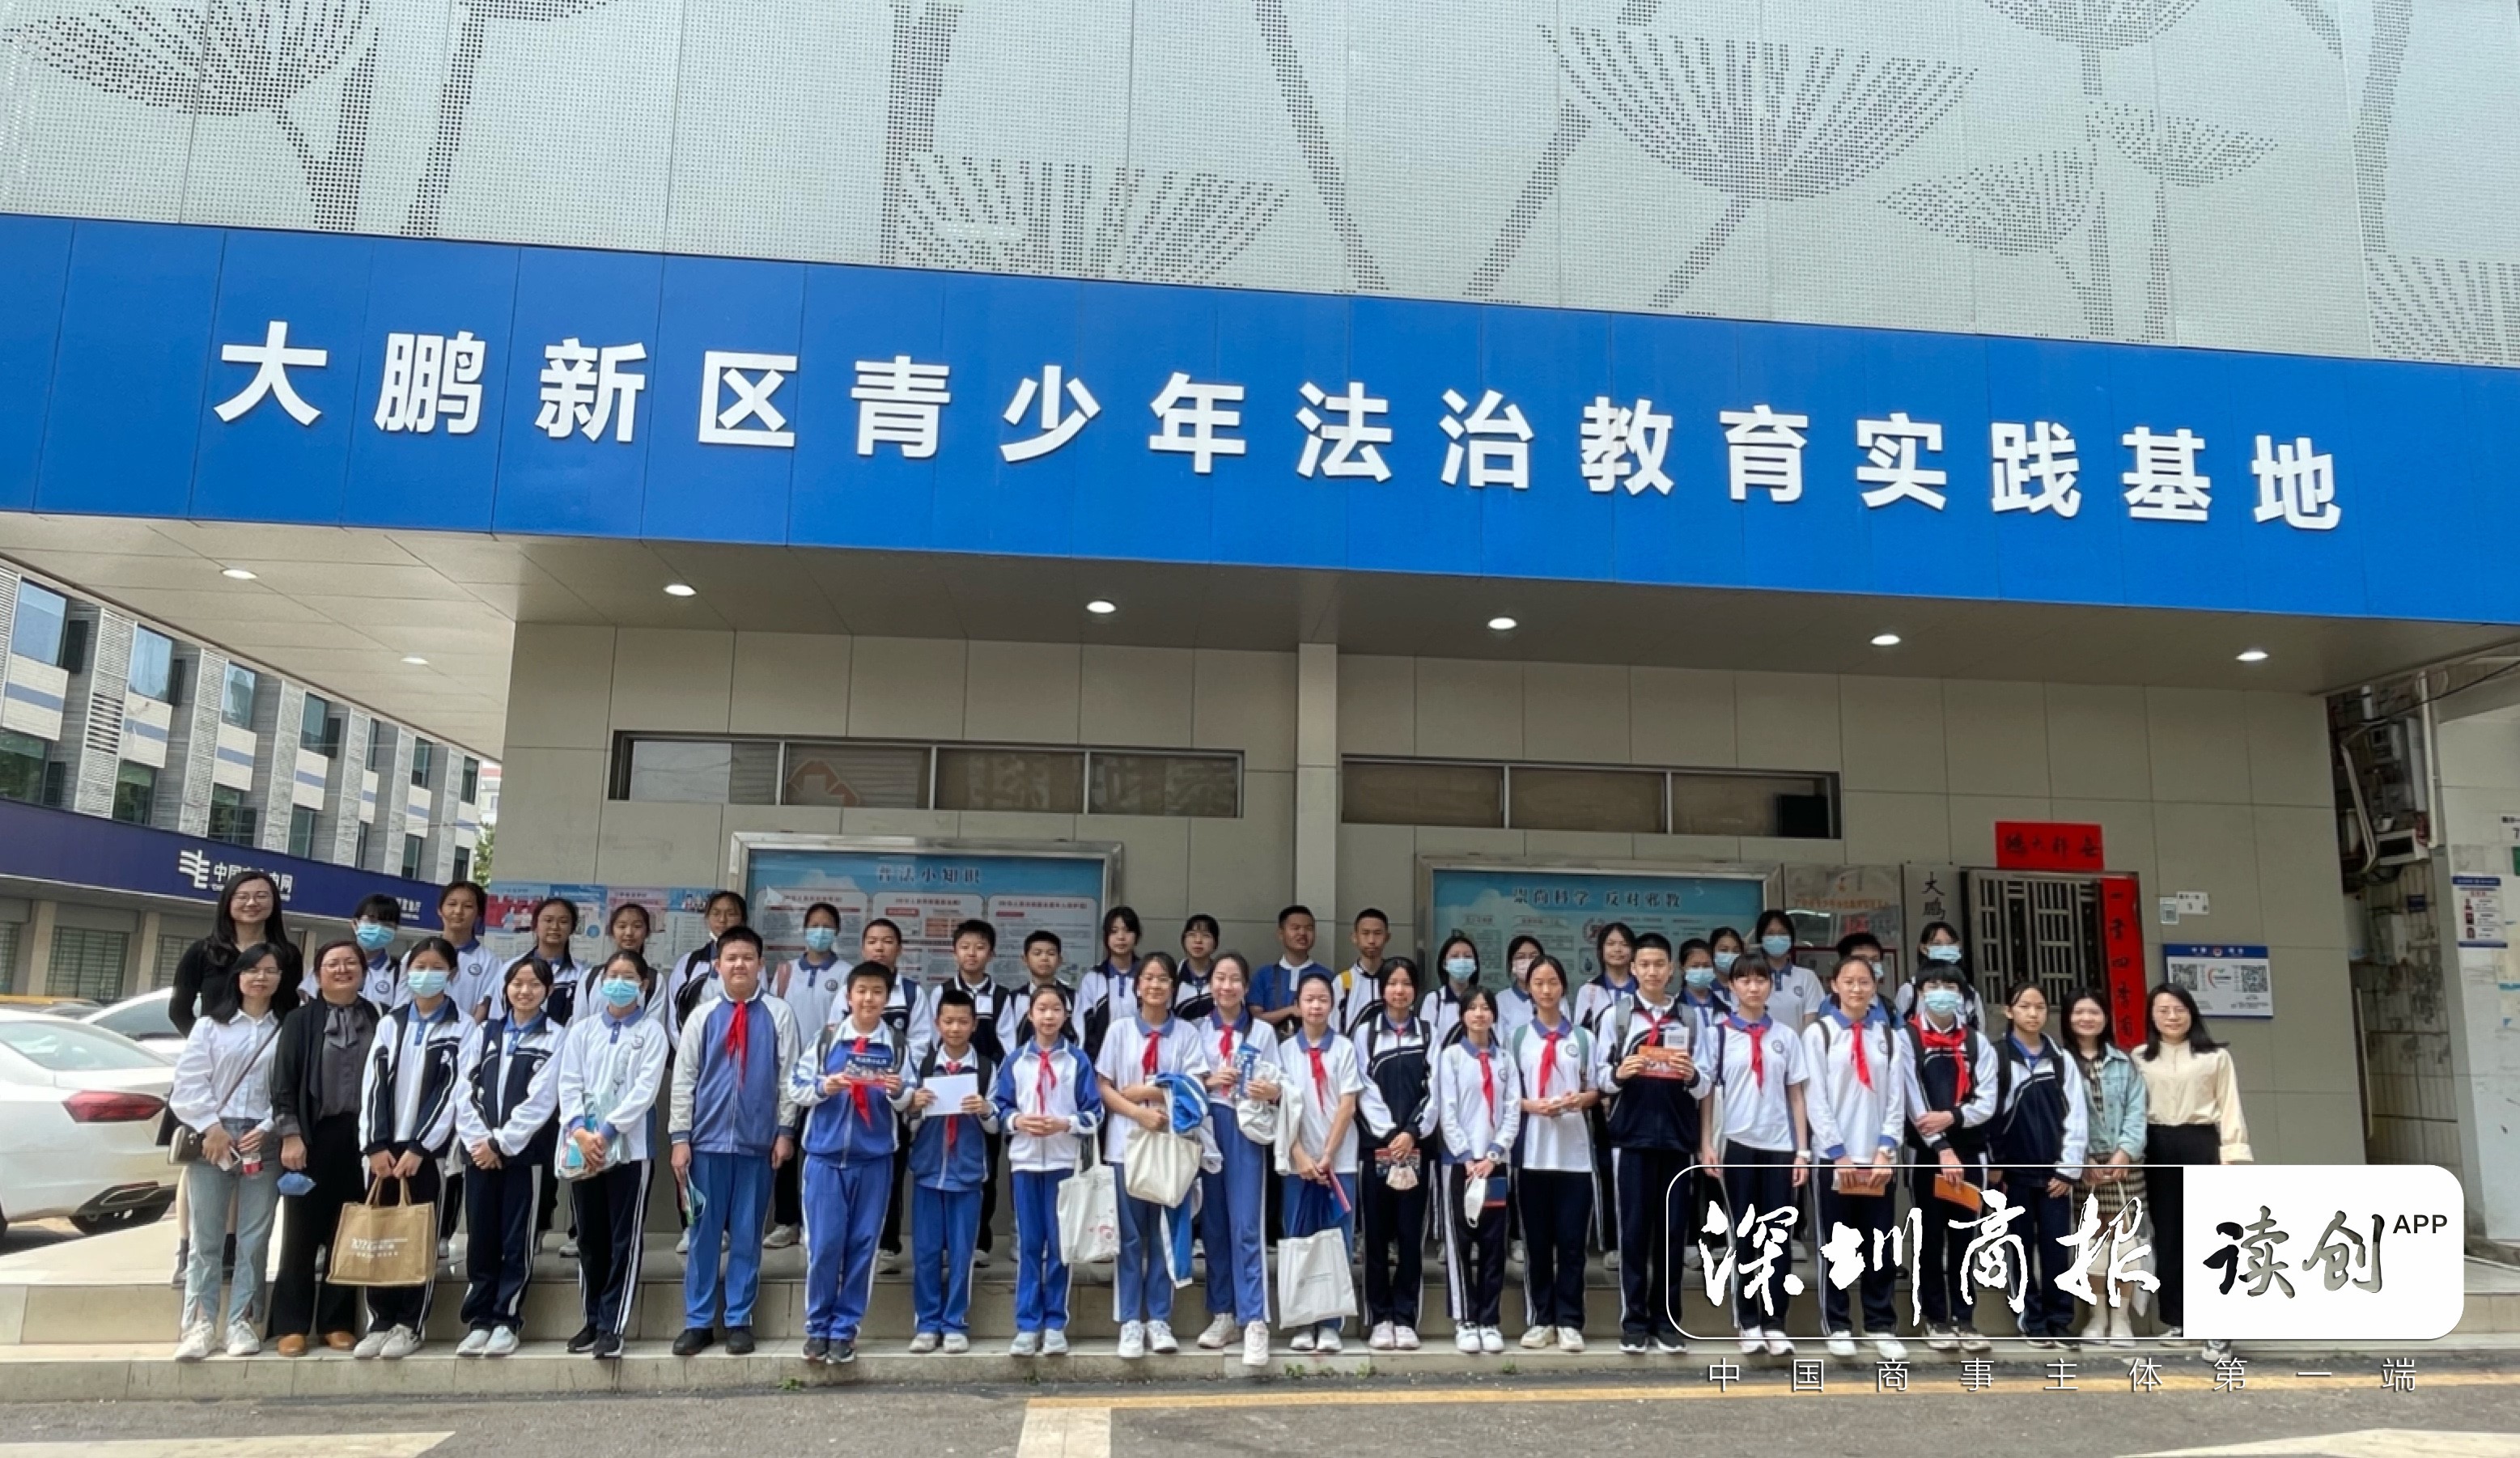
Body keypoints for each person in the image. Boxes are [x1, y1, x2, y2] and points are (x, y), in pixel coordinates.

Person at [668, 926, 802, 1357]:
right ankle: (698, 1321)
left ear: (760, 964)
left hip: (756, 1145)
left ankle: (739, 1318)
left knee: (747, 1235)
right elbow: (684, 1079)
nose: (739, 964)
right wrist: (680, 1137)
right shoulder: (702, 1016)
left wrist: (785, 1131)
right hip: (705, 1145)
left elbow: (789, 1076)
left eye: (748, 957)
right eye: (731, 958)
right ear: (718, 965)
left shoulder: (779, 1014)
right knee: (703, 1235)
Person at [168, 941, 286, 1361]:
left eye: (270, 971)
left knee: (255, 1238)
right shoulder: (210, 1026)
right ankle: (199, 1324)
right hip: (213, 1140)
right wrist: (211, 1127)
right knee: (206, 1238)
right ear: (238, 977)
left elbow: (290, 1087)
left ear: (280, 978)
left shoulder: (286, 1028)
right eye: (253, 970)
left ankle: (243, 1322)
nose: (261, 978)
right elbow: (189, 1082)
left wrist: (268, 1127)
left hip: (263, 1142)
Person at [790, 961, 911, 1366]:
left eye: (877, 992)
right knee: (824, 1245)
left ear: (887, 999)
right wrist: (825, 1085)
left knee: (863, 1246)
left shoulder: (896, 1045)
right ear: (848, 996)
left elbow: (910, 1099)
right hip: (824, 1159)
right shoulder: (827, 1040)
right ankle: (817, 1326)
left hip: (874, 1160)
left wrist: (897, 1091)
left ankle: (845, 1329)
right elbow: (795, 1086)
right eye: (862, 991)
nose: (868, 999)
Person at [1096, 953, 1212, 1358]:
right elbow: (1105, 1086)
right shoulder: (1119, 1030)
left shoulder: (1187, 1035)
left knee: (1165, 1234)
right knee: (1129, 1236)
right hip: (1125, 1145)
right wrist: (1138, 1113)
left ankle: (1159, 1319)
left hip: (1171, 1147)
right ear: (1138, 986)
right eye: (1149, 978)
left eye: (1164, 979)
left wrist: (1145, 1091)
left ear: (1173, 988)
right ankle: (1130, 1319)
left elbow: (1194, 1089)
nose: (1156, 985)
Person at [554, 952, 670, 1359]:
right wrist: (580, 1132)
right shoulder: (583, 1031)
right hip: (582, 1148)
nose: (619, 983)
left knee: (623, 1239)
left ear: (644, 985)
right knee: (590, 1237)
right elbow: (568, 1082)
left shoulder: (652, 1032)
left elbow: (644, 1091)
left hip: (630, 1150)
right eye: (612, 975)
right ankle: (591, 1319)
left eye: (629, 976)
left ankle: (612, 1325)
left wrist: (606, 1132)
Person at [354, 935, 465, 1358]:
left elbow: (453, 1091)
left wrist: (421, 1146)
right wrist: (374, 1145)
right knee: (380, 1233)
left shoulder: (463, 1027)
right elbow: (372, 1085)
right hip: (384, 1149)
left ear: (452, 974)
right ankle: (379, 1320)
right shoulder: (391, 1023)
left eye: (436, 968)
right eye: (419, 967)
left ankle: (409, 1324)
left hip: (427, 1153)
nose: (426, 975)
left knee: (418, 1236)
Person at [1696, 952, 1811, 1356]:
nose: (1753, 987)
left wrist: (1802, 1150)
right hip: (1737, 1142)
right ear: (1731, 987)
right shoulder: (1717, 1034)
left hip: (1779, 1145)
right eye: (1744, 980)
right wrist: (1707, 1143)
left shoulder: (1786, 1036)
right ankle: (1748, 1321)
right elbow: (1707, 1093)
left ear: (1770, 985)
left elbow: (1796, 1095)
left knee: (1777, 1236)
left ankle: (1776, 1322)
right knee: (1744, 1234)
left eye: (1760, 979)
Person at [266, 939, 376, 1355]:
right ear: (318, 974)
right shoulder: (300, 1020)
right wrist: (290, 1135)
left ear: (363, 971)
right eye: (333, 964)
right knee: (301, 1232)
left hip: (361, 1139)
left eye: (351, 963)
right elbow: (284, 1082)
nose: (342, 969)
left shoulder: (378, 1016)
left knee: (347, 1229)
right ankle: (292, 1324)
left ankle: (337, 1322)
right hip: (312, 1136)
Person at [1801, 942, 1907, 1361]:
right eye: (1849, 982)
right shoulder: (1819, 1033)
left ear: (1875, 986)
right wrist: (1837, 1153)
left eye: (1864, 982)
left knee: (1879, 1243)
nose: (1858, 989)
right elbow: (1815, 1097)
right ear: (1834, 986)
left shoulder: (1888, 1037)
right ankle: (1839, 1323)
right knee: (1837, 1245)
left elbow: (1896, 1097)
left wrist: (1886, 1150)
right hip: (1836, 1158)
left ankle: (1880, 1324)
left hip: (1877, 1158)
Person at [452, 956, 562, 1358]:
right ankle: (479, 1320)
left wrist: (502, 1144)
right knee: (481, 1238)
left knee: (516, 1241)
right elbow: (463, 1089)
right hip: (479, 1153)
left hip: (524, 1156)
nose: (524, 991)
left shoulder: (556, 1037)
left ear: (548, 991)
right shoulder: (485, 1032)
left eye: (534, 984)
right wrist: (480, 1142)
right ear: (506, 988)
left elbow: (542, 1099)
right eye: (517, 983)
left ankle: (507, 1319)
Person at [2136, 983, 2251, 1361]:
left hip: (2201, 1143)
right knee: (2168, 1234)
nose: (2172, 1016)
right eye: (2163, 1010)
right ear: (2152, 1016)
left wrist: (2232, 1156)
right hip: (2156, 1146)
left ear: (2191, 1013)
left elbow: (2230, 1106)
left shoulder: (2215, 1057)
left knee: (2210, 1233)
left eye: (2179, 1009)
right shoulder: (2139, 1058)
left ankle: (2217, 1323)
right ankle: (2178, 1318)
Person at [1598, 931, 1698, 1354]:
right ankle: (1634, 1322)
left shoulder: (1689, 1018)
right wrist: (1619, 1073)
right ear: (1634, 969)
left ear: (1671, 969)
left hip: (1677, 1140)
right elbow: (1599, 1077)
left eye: (1660, 964)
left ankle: (1668, 1322)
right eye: (1645, 965)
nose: (1653, 971)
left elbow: (1707, 1081)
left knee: (1672, 1235)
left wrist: (1692, 1075)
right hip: (1631, 1139)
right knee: (1634, 1234)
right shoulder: (1617, 1017)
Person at [996, 981, 1103, 1356]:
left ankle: (1056, 1322)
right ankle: (1027, 1325)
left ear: (1066, 1015)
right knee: (1030, 1244)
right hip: (1025, 1163)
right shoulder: (1015, 1061)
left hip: (1062, 1163)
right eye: (1041, 1009)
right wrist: (1018, 1122)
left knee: (1060, 1245)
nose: (1048, 1016)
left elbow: (1095, 1113)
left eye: (1056, 1009)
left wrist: (1065, 1124)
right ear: (1030, 1015)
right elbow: (999, 1109)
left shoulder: (1078, 1061)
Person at [1900, 960, 2000, 1354]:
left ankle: (1965, 1318)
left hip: (1971, 1153)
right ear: (1920, 994)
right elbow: (1913, 1101)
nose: (1941, 993)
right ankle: (1935, 1318)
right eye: (1933, 986)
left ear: (1962, 996)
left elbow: (1987, 1102)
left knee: (1965, 1237)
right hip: (1926, 1154)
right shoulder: (1907, 1038)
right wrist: (1941, 1146)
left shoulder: (1977, 1043)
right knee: (1929, 1238)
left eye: (1950, 987)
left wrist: (1953, 1117)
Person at [1987, 981, 2089, 1348]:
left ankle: (2060, 1320)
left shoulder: (2061, 1060)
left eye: (2040, 1007)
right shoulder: (1996, 1057)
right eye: (2025, 1006)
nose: (2033, 1013)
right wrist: (1995, 1165)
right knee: (2018, 1247)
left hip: (2054, 1175)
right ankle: (2030, 1320)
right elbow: (1987, 1114)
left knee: (2057, 1248)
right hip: (2012, 1174)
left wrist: (2068, 1170)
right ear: (2009, 1011)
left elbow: (2076, 1117)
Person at [1274, 976, 1368, 1352]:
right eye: (1309, 1000)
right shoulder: (1283, 1051)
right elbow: (1280, 1108)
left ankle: (1330, 1323)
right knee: (1298, 1237)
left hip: (1338, 1161)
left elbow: (1348, 1104)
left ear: (1332, 1005)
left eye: (1323, 1000)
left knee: (1336, 1239)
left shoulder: (1344, 1048)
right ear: (1298, 1005)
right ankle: (1302, 1320)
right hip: (1297, 1162)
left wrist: (1328, 1155)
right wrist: (1299, 1154)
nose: (1315, 1006)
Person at [1193, 952, 1278, 1367]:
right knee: (1214, 1225)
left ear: (1246, 987)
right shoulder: (1196, 1030)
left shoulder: (1262, 1032)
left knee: (1246, 1224)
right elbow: (1184, 1082)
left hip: (1245, 1128)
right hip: (1209, 1126)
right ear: (1210, 984)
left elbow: (1279, 1082)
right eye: (1220, 978)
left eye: (1234, 979)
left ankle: (1254, 1318)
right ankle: (1223, 1312)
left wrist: (1266, 1090)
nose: (1226, 986)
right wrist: (1209, 1080)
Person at [905, 985, 999, 1353]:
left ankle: (955, 1322)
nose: (955, 1028)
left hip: (968, 1173)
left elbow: (998, 1124)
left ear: (974, 1024)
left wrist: (985, 1109)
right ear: (937, 1023)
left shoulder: (987, 1069)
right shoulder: (923, 1065)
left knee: (962, 1254)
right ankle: (927, 1323)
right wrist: (914, 1105)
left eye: (962, 1021)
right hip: (929, 1171)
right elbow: (907, 1121)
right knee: (926, 1252)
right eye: (948, 1021)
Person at [1509, 956, 1596, 1351]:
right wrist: (1533, 1106)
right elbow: (1508, 1095)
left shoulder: (1583, 1038)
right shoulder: (1517, 1038)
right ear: (1529, 988)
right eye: (1538, 983)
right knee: (1538, 1243)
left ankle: (1570, 1320)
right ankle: (1542, 1318)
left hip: (1574, 1155)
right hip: (1533, 1154)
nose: (1546, 990)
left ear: (1564, 987)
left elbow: (1597, 1089)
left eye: (1553, 982)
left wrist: (1580, 1100)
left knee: (1573, 1243)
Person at [913, 919, 1011, 1266]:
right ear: (955, 952)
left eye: (980, 947)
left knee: (984, 1169)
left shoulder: (1001, 996)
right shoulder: (940, 992)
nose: (972, 954)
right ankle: (940, 1244)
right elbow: (932, 1043)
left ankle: (979, 1241)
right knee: (939, 1168)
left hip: (981, 1087)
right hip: (943, 1088)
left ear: (991, 953)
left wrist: (989, 1085)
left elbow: (1008, 1046)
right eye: (965, 947)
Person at [1351, 959, 1436, 1350]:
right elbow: (1362, 1088)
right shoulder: (1366, 1034)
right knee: (1376, 1235)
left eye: (1406, 983)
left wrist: (1412, 1132)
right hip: (1378, 1149)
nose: (1399, 990)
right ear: (1383, 989)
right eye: (1392, 983)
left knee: (1409, 1234)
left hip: (1417, 1147)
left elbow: (1436, 1089)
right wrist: (1389, 1134)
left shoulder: (1429, 1033)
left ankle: (1405, 1317)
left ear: (1415, 990)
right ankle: (1380, 1317)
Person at [1436, 987, 1521, 1354]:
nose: (1480, 1014)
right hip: (1460, 1166)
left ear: (1494, 1015)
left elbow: (1513, 1109)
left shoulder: (1506, 1060)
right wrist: (1467, 1155)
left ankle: (1489, 1319)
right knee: (1460, 1242)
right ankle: (1465, 1319)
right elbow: (1447, 1109)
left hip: (1495, 1165)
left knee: (1493, 1243)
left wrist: (1495, 1153)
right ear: (1463, 1016)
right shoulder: (1452, 1057)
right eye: (1472, 1008)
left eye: (1486, 1008)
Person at [762, 901, 849, 1250]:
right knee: (785, 1146)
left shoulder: (847, 973)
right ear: (804, 929)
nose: (820, 931)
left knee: (822, 1151)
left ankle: (819, 1221)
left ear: (837, 931)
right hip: (788, 1073)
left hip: (828, 1076)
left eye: (827, 926)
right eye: (814, 925)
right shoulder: (785, 972)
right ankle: (787, 1221)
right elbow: (771, 1018)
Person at [2064, 986, 2148, 1347]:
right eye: (2079, 1012)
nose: (2087, 1018)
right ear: (2069, 1018)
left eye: (2094, 1012)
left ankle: (2121, 1318)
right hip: (2084, 1167)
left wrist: (2125, 1153)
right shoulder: (2061, 1062)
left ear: (2106, 1018)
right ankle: (2097, 1316)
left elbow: (2137, 1111)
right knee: (2093, 1242)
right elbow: (2061, 1116)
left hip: (2124, 1166)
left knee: (2126, 1240)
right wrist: (2081, 1159)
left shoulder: (2124, 1063)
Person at [171, 870, 303, 1036]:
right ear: (228, 902)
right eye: (242, 897)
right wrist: (205, 1043)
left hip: (269, 1049)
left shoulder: (288, 955)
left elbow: (290, 1011)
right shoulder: (203, 951)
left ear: (274, 903)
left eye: (261, 896)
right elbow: (179, 1011)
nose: (252, 903)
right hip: (217, 1050)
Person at [664, 889, 748, 1035]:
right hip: (694, 1043)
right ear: (707, 918)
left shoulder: (751, 964)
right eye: (716, 913)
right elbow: (674, 1013)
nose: (722, 920)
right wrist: (686, 1046)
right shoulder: (689, 963)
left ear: (742, 920)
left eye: (731, 914)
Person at [1075, 905, 1143, 1058]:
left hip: (1141, 1055)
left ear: (1137, 936)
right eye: (1114, 931)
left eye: (1127, 930)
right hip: (1102, 1058)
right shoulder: (1093, 978)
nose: (1121, 937)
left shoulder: (1147, 976)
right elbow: (1085, 1026)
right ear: (1106, 937)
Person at [1253, 904, 1331, 1033]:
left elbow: (1333, 1019)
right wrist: (1290, 1011)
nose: (1302, 933)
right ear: (1280, 934)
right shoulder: (1263, 975)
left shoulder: (1327, 977)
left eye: (1309, 928)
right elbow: (1254, 1019)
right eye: (1295, 928)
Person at [1894, 922, 1983, 1028]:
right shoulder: (1910, 989)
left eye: (1950, 943)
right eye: (1937, 944)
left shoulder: (1970, 993)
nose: (1945, 948)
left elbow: (1979, 1029)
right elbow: (1897, 1027)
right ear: (1923, 949)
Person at [437, 881, 503, 1023]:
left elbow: (483, 1007)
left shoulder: (490, 962)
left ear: (479, 913)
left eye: (468, 906)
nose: (458, 911)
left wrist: (466, 1033)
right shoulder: (419, 954)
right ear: (440, 910)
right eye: (452, 904)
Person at [1000, 929, 1075, 1053]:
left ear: (1060, 960)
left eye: (1051, 953)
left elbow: (1080, 1038)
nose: (1044, 958)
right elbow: (1007, 1040)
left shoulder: (1073, 998)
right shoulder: (1014, 999)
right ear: (1025, 959)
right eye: (1037, 953)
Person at [1748, 909, 1825, 1032]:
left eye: (1782, 933)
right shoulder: (1751, 979)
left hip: (1798, 1043)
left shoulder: (1807, 977)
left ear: (1791, 938)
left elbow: (1812, 1023)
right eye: (1770, 934)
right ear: (1761, 939)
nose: (1777, 938)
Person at [515, 896, 586, 1025]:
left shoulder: (582, 975)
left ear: (573, 928)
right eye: (548, 920)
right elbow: (499, 1014)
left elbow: (582, 1021)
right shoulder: (512, 968)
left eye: (563, 922)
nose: (555, 927)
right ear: (535, 925)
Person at [1330, 908, 1391, 1032]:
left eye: (1377, 933)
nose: (1371, 940)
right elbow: (1332, 1027)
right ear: (1354, 937)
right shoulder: (1343, 981)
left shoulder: (1395, 979)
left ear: (1387, 937)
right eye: (1365, 933)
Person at [1423, 933, 1483, 1049]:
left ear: (1475, 964)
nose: (1462, 961)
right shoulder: (1434, 1000)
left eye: (1468, 956)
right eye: (1455, 956)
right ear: (1444, 964)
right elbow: (1427, 1042)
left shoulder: (1484, 999)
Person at [353, 893, 405, 1008]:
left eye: (387, 924)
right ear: (355, 924)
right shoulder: (332, 964)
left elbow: (399, 1014)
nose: (378, 928)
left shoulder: (400, 972)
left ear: (395, 930)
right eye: (372, 920)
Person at [1174, 913, 1220, 1018]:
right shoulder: (1173, 976)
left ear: (1216, 943)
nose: (1198, 940)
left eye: (1206, 935)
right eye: (1192, 934)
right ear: (1183, 940)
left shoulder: (1224, 978)